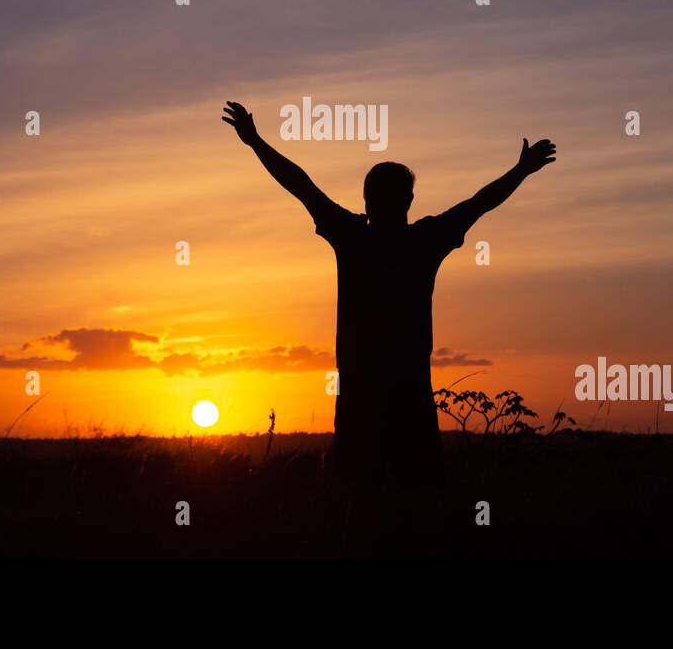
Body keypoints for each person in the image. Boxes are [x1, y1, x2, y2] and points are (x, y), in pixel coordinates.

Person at [222, 101, 556, 489]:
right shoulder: (425, 239)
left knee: (357, 497)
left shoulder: (351, 236)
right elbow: (480, 202)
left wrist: (255, 141)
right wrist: (521, 171)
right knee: (417, 499)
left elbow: (301, 184)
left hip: (359, 395)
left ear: (365, 200)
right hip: (410, 392)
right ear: (410, 200)